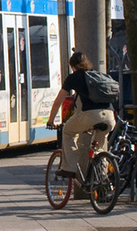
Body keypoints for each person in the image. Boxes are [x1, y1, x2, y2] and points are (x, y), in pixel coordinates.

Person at [47, 51, 117, 180]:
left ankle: (69, 168)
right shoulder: (98, 75)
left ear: (73, 66)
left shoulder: (74, 77)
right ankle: (103, 178)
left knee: (68, 131)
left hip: (91, 115)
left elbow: (58, 101)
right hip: (110, 116)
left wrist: (50, 120)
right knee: (100, 148)